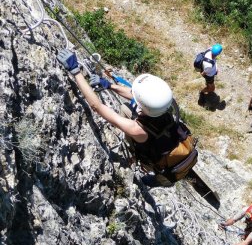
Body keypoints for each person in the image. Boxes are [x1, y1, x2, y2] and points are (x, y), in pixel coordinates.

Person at [56, 49, 197, 184]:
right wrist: (109, 86)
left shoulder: (137, 130)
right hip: (171, 142)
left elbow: (97, 106)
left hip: (161, 162)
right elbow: (136, 96)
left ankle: (153, 178)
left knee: (161, 178)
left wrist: (75, 71)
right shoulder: (164, 104)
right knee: (125, 108)